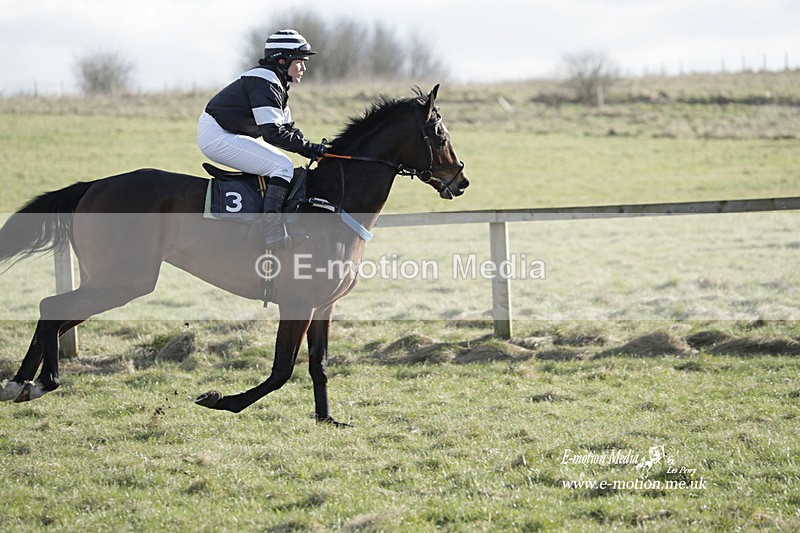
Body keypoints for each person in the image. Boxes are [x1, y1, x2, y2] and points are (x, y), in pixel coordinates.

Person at [197, 29, 327, 248]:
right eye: (300, 61)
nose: (304, 68)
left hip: (229, 132)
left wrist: (316, 149)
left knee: (279, 165)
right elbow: (273, 134)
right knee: (282, 166)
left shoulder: (275, 81)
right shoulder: (264, 82)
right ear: (283, 60)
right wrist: (310, 149)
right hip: (218, 135)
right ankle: (273, 230)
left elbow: (288, 129)